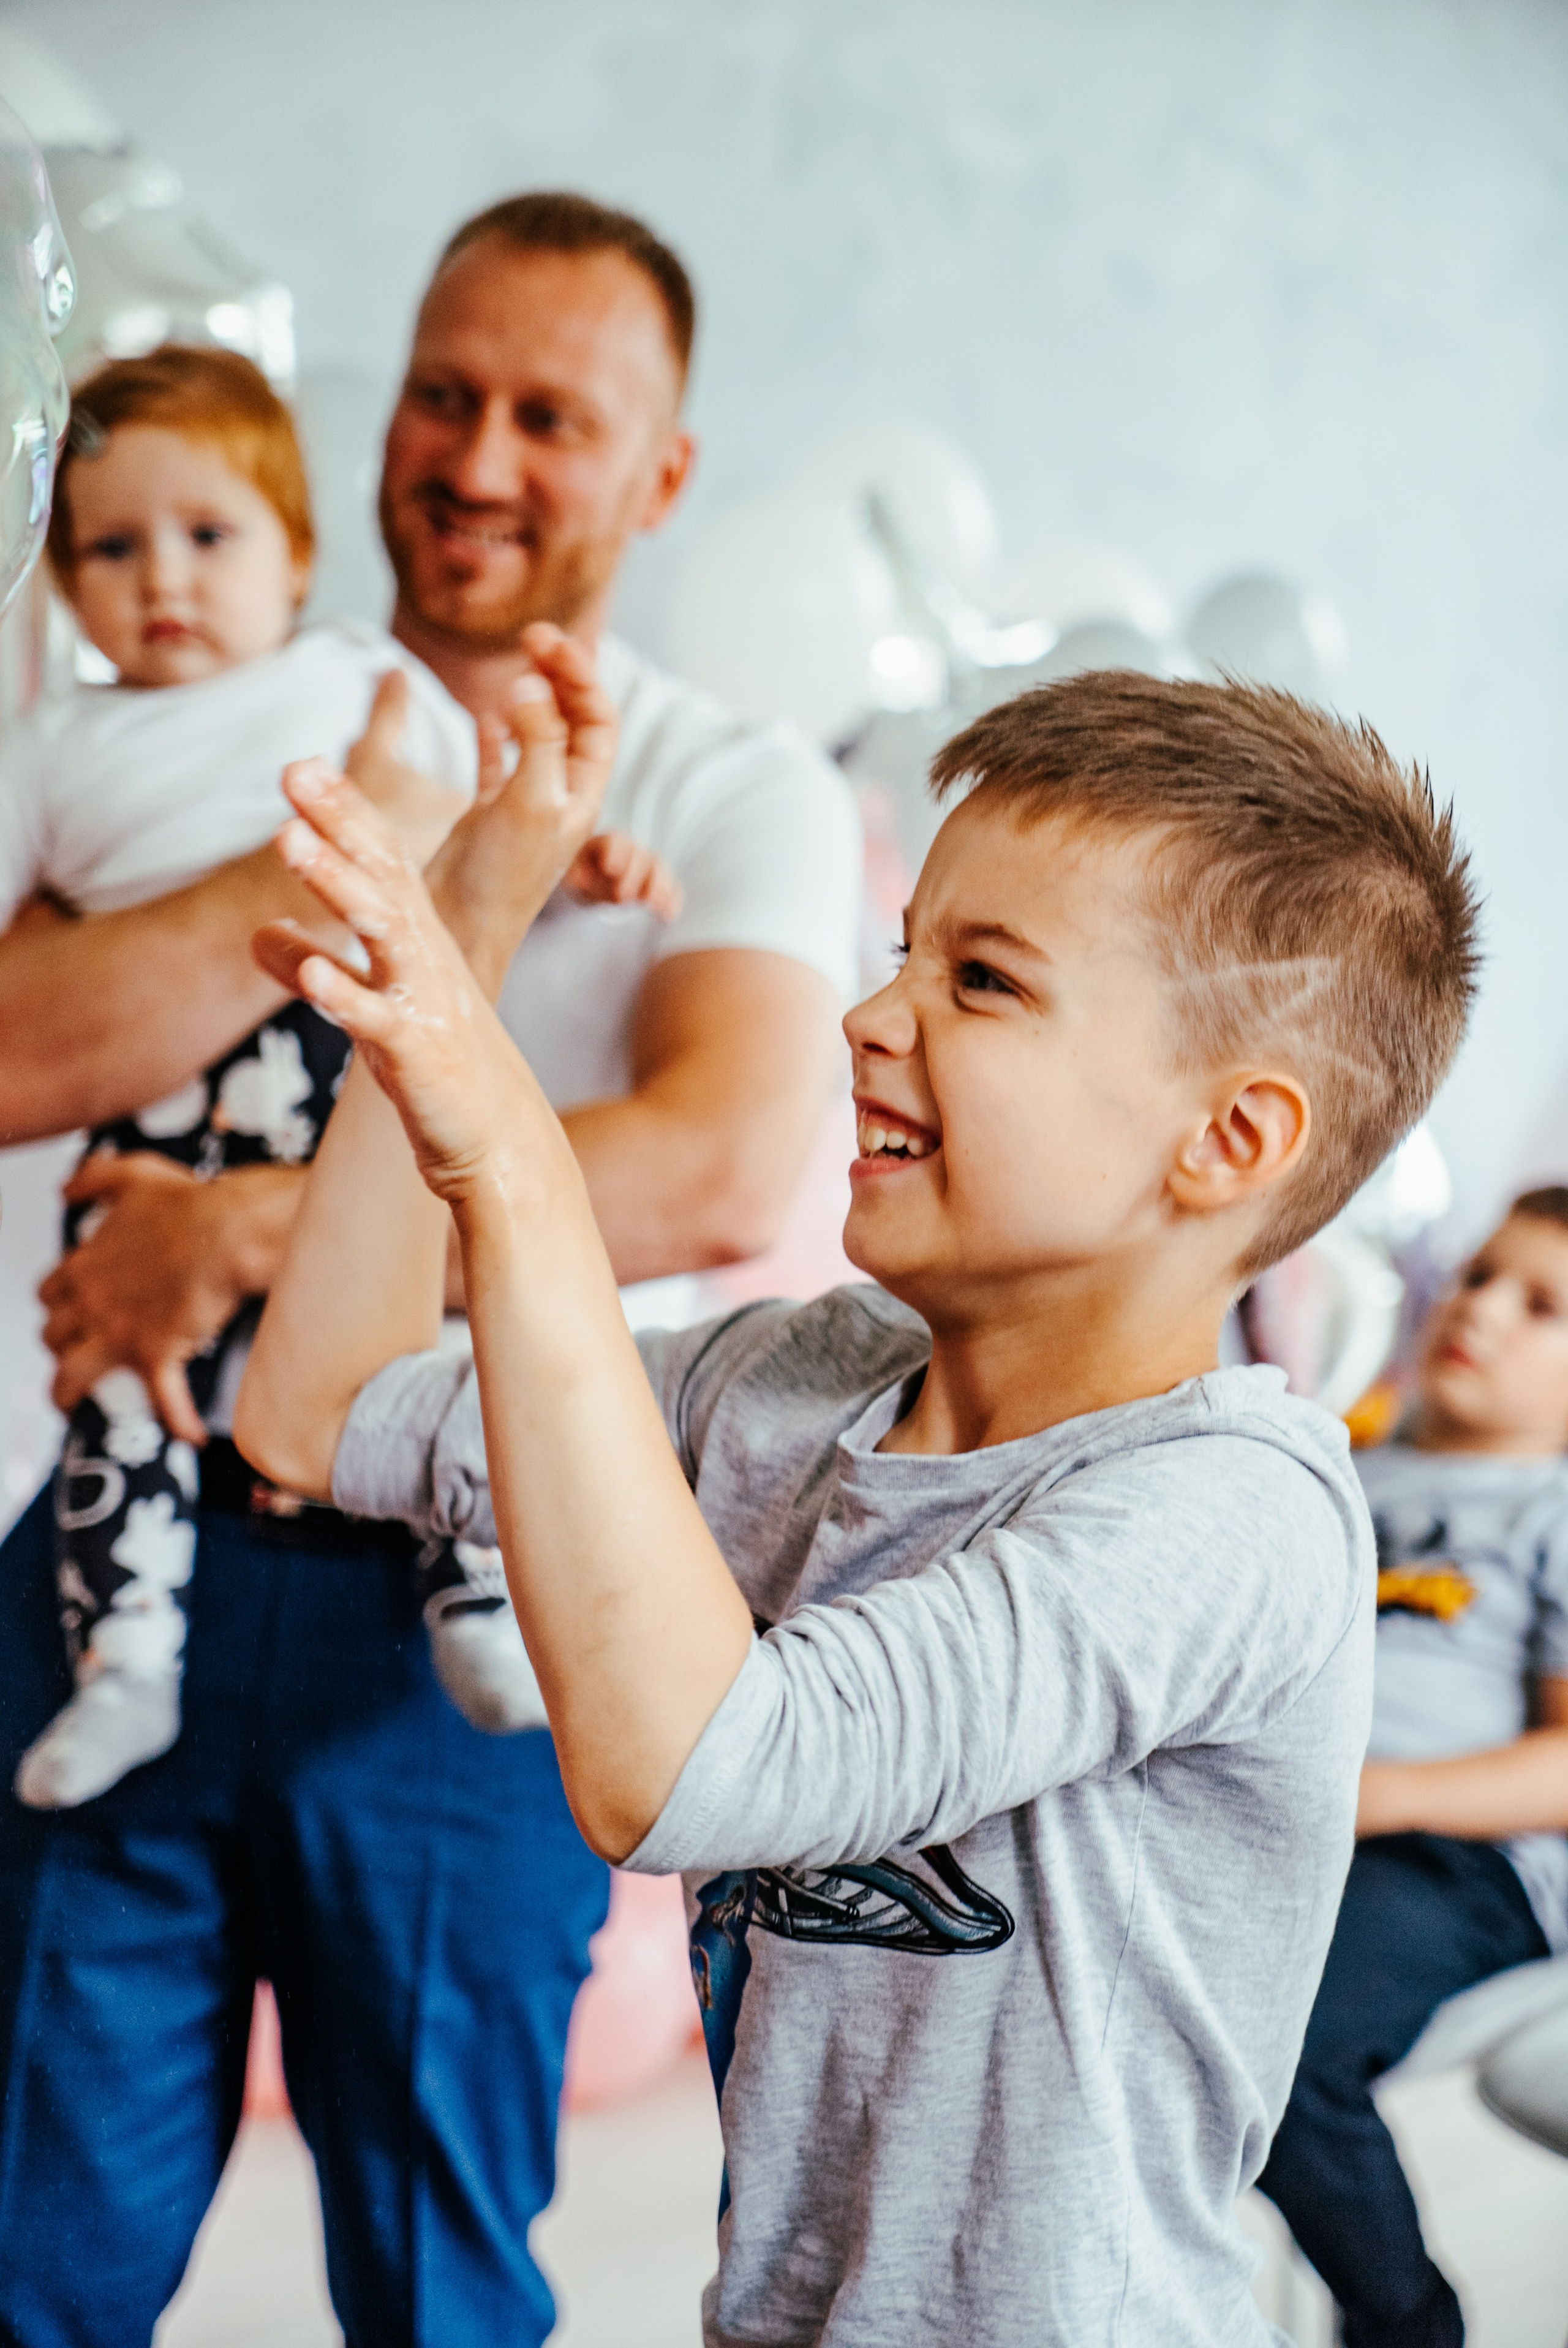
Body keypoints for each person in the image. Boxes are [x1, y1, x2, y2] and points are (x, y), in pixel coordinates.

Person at [237, 668, 1478, 2346]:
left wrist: (517, 1167)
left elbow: (695, 1768)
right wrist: (452, 939)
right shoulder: (798, 1380)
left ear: (1228, 1140)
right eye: (902, 950)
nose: (869, 1015)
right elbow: (316, 1409)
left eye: (982, 979)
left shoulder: (1235, 1516)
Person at [0, 195, 859, 2347]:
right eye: (444, 396)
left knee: (436, 2281)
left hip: (475, 1592)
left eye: (551, 419)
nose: (477, 461)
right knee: (34, 2254)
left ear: (662, 474)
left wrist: (245, 1235)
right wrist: (380, 827)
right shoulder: (204, 710)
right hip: (127, 1558)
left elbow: (725, 1160)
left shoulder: (720, 780)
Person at [3, 342, 679, 1810]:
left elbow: (478, 829)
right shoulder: (50, 748)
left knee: (413, 1343)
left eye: (208, 535)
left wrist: (586, 864)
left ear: (298, 556)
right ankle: (124, 1657)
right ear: (59, 578)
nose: (163, 578)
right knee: (124, 1369)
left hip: (345, 1075)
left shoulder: (356, 682)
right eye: (111, 548)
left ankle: (475, 1596)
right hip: (157, 1129)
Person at [1257, 1189, 1568, 2348]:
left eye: (1541, 1305)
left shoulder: (1550, 1508)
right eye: (1480, 1276)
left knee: (1280, 2044)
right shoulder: (1343, 1467)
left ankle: (1409, 2326)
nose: (1480, 1309)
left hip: (1459, 1862)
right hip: (1290, 1825)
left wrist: (1375, 1796)